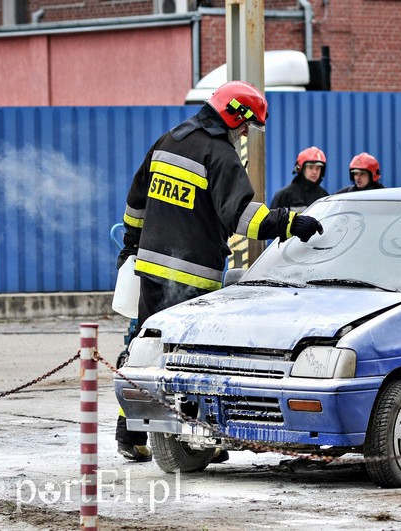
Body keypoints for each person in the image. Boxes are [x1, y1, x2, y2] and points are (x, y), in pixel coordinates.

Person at [114, 80, 324, 462]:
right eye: (246, 125)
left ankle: (130, 434)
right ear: (234, 115)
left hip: (150, 270)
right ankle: (198, 441)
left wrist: (132, 245)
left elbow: (135, 202)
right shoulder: (220, 155)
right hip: (193, 277)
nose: (245, 132)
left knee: (146, 350)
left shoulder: (169, 141)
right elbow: (242, 217)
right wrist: (290, 223)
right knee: (190, 359)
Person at [270, 146, 329, 212]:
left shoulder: (325, 197)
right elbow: (272, 221)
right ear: (301, 169)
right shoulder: (284, 196)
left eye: (318, 168)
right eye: (310, 167)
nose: (314, 172)